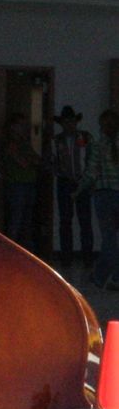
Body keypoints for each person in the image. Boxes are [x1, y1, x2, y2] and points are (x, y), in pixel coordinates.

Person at [74, 108, 119, 289]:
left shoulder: (99, 145)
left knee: (108, 239)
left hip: (104, 196)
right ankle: (104, 276)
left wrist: (78, 191)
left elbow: (91, 173)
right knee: (113, 240)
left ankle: (106, 276)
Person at [52, 105, 94, 267]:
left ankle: (88, 257)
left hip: (83, 182)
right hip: (64, 182)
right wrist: (61, 172)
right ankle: (66, 258)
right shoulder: (56, 140)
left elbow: (92, 158)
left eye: (72, 122)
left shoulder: (86, 137)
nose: (69, 125)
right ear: (62, 124)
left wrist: (88, 179)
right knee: (65, 220)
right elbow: (53, 161)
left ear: (76, 123)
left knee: (85, 220)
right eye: (66, 122)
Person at [2, 112, 41, 249]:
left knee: (27, 221)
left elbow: (37, 159)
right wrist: (30, 159)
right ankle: (10, 250)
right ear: (13, 127)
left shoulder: (25, 143)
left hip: (29, 183)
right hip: (17, 186)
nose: (24, 127)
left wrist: (31, 159)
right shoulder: (11, 144)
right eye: (21, 125)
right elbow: (23, 162)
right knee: (16, 220)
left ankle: (26, 251)